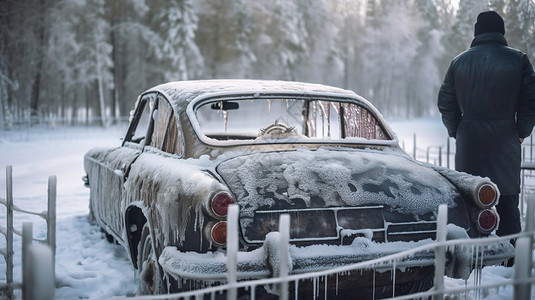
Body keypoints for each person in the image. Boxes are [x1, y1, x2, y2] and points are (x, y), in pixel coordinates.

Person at [438, 11, 535, 241]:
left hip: (469, 144)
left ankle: (471, 263)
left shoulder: (458, 62)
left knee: (471, 202)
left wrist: (456, 131)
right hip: (505, 144)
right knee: (507, 204)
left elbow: (445, 103)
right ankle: (510, 261)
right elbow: (531, 99)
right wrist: (521, 131)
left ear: (477, 32)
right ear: (501, 32)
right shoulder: (518, 60)